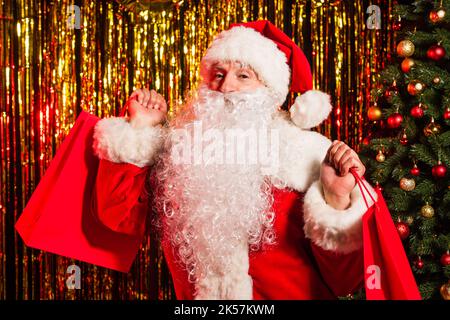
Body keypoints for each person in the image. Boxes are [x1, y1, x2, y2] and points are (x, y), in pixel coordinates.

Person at [91, 20, 377, 300]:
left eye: (243, 76)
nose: (226, 87)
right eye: (218, 74)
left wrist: (337, 198)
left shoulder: (308, 153)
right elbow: (116, 219)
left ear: (272, 94)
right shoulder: (180, 152)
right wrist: (140, 129)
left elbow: (345, 281)